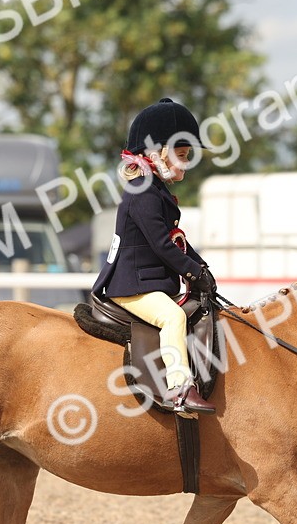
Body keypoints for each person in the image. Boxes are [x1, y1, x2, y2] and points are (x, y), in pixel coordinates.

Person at [92, 97, 217, 415]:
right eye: (181, 154)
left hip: (148, 282)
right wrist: (193, 273)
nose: (186, 163)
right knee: (172, 318)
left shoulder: (154, 190)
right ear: (155, 152)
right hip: (131, 286)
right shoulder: (142, 192)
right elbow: (162, 245)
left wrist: (201, 267)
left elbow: (176, 240)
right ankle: (178, 388)